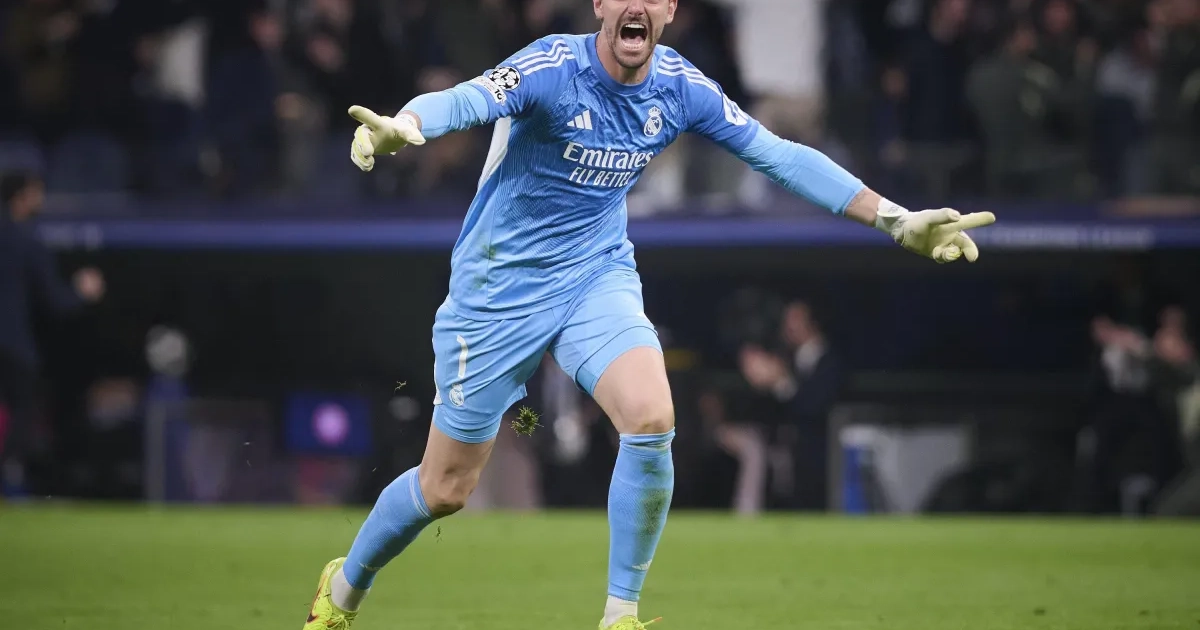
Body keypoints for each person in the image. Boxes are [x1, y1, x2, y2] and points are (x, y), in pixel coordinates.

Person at [303, 1, 995, 629]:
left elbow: (778, 155)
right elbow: (467, 98)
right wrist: (406, 125)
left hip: (593, 275)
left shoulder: (681, 87)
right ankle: (345, 587)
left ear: (668, 11)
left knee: (652, 416)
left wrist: (895, 219)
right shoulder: (551, 66)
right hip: (497, 289)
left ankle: (621, 617)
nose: (636, 5)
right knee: (446, 488)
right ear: (601, 6)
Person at [0, 172, 105, 496]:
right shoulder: (27, 241)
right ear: (21, 196)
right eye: (36, 193)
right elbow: (57, 302)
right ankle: (9, 480)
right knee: (23, 412)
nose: (40, 200)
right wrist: (82, 291)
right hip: (12, 343)